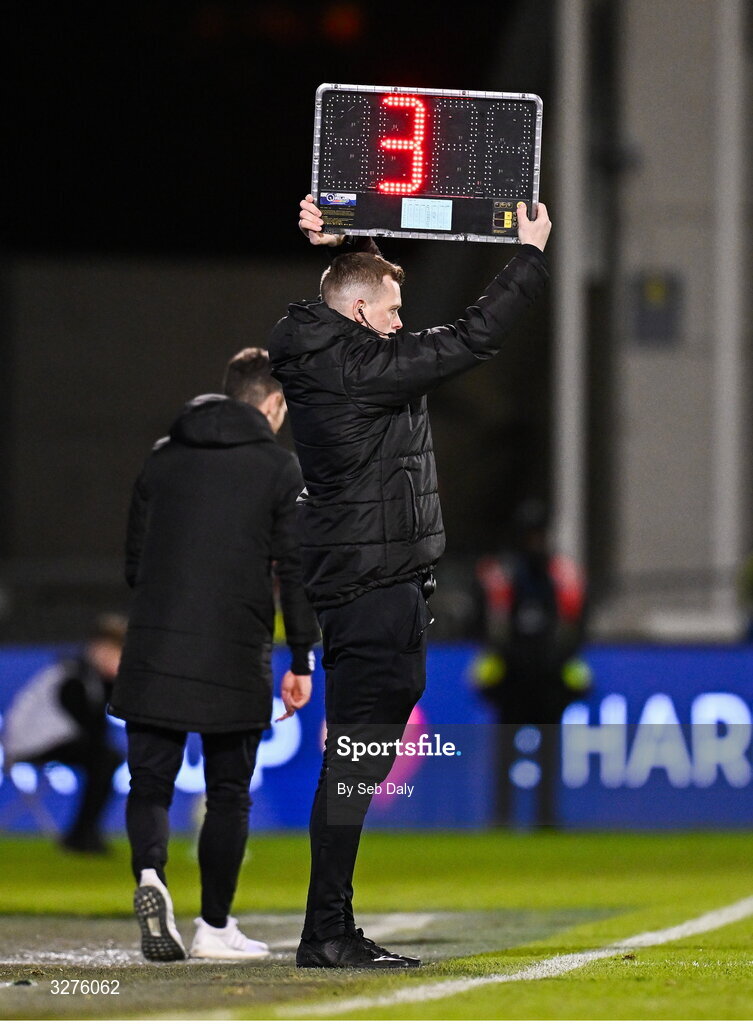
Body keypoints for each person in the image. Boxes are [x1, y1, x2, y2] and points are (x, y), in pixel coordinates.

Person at [268, 194, 551, 969]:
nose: (400, 321)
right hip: (371, 583)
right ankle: (326, 930)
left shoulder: (333, 350)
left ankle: (329, 925)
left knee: (359, 756)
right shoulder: (359, 367)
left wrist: (344, 236)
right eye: (391, 310)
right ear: (359, 312)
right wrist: (525, 259)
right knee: (357, 757)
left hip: (376, 580)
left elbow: (356, 292)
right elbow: (470, 339)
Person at [109, 348, 319, 962]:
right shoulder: (279, 470)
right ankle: (214, 926)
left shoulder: (162, 458)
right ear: (273, 404)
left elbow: (132, 565)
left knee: (150, 783)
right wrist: (301, 660)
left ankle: (150, 878)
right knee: (229, 793)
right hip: (234, 647)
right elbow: (294, 573)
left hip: (154, 642)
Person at [470, 498, 590, 826]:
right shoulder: (503, 575)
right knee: (505, 750)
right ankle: (502, 817)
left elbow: (576, 626)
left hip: (549, 674)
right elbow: (487, 626)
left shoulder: (562, 574)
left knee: (549, 751)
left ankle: (546, 816)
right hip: (513, 675)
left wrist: (559, 662)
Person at [2, 614, 126, 854]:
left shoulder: (89, 677)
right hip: (33, 742)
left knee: (106, 758)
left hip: (50, 739)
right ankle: (81, 834)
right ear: (98, 648)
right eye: (114, 651)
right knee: (105, 758)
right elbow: (91, 726)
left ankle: (84, 832)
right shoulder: (73, 675)